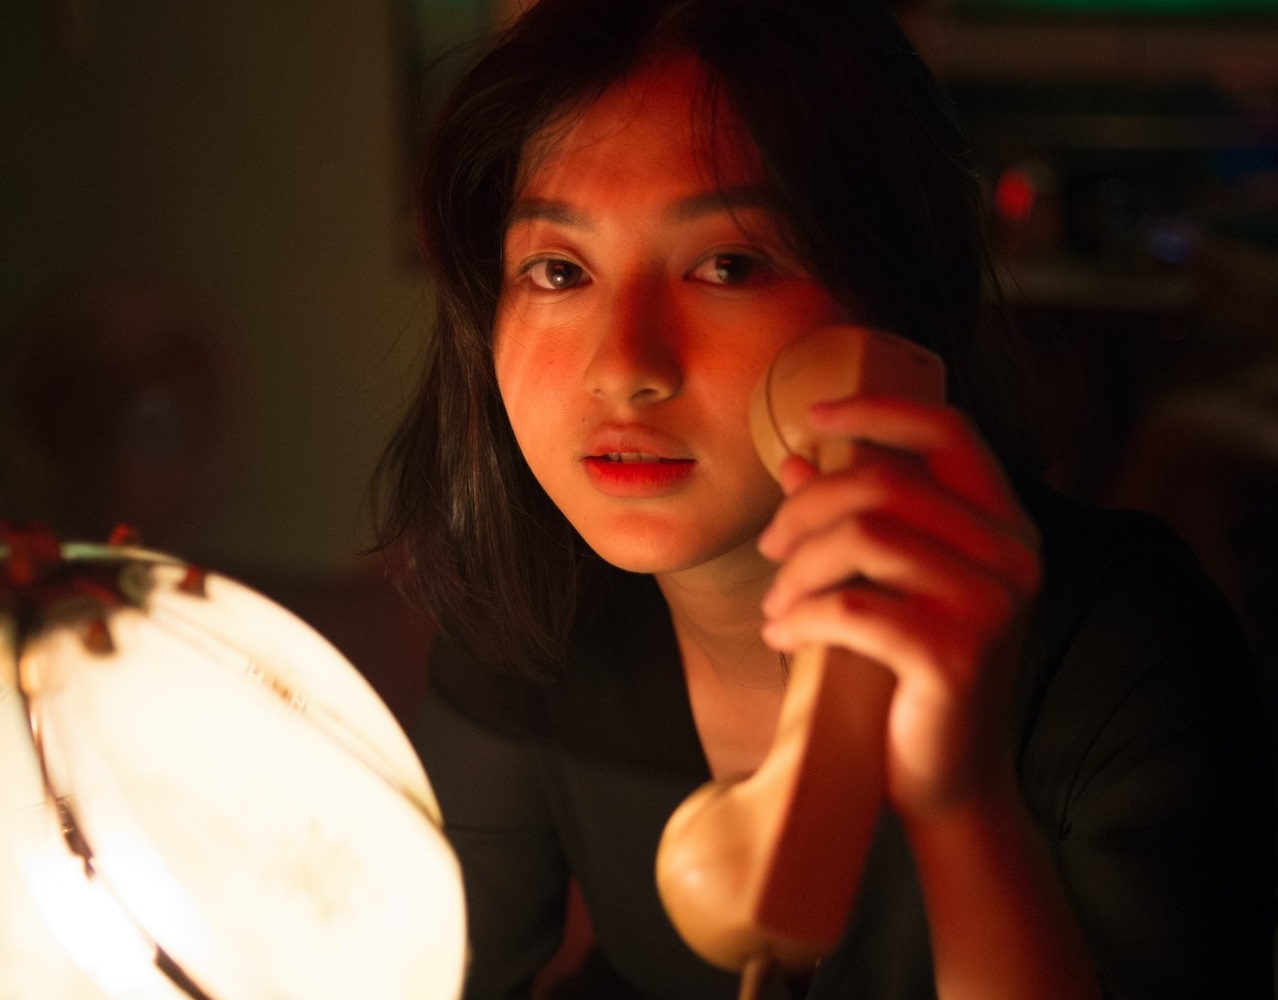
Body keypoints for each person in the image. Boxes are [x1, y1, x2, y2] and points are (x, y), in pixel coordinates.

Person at [376, 1, 1275, 997]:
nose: (624, 367)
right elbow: (424, 967)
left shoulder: (1129, 651)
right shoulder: (531, 608)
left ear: (890, 313)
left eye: (728, 266)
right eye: (558, 270)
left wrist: (961, 802)